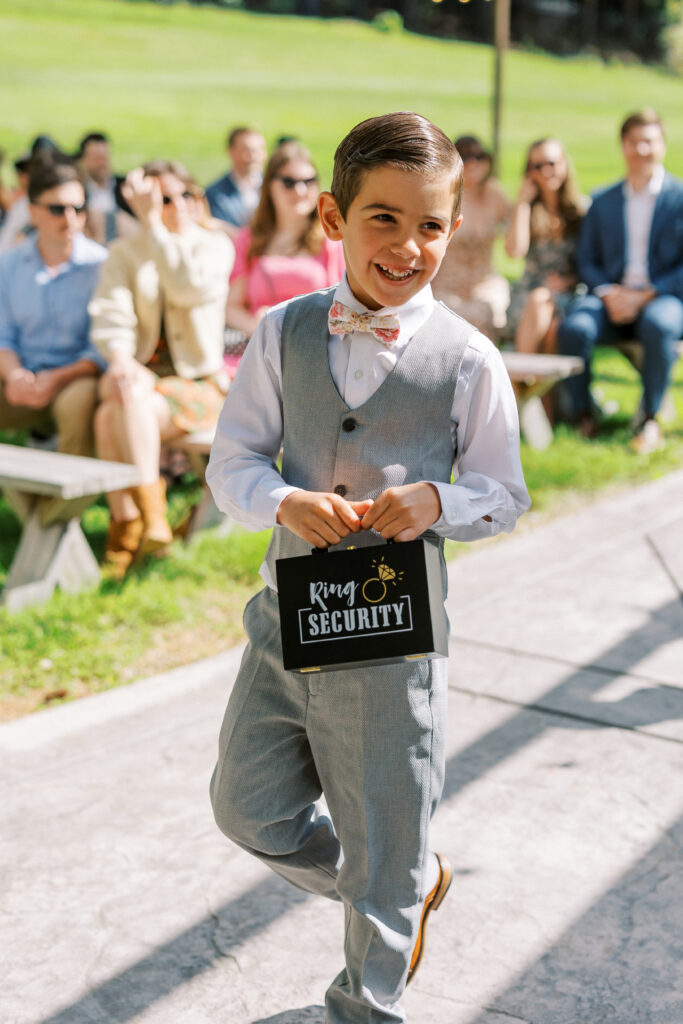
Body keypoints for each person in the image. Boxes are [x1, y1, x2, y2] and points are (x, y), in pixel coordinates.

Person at [206, 112, 530, 1024]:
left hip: (392, 648)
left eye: (430, 225)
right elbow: (230, 462)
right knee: (247, 809)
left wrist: (439, 501)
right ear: (332, 218)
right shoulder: (281, 333)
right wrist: (281, 503)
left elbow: (504, 493)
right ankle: (401, 881)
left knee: (381, 863)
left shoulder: (468, 359)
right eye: (383, 219)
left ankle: (373, 968)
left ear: (452, 229)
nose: (408, 245)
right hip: (283, 627)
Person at [89, 159, 234, 576]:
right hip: (137, 379)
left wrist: (152, 226)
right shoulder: (124, 253)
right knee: (125, 392)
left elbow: (186, 286)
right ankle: (148, 522)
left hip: (199, 382)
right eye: (160, 199)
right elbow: (110, 314)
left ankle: (129, 528)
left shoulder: (213, 245)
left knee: (107, 416)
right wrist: (119, 358)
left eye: (182, 195)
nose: (173, 206)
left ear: (197, 198)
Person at [558, 109, 683, 452]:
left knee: (660, 324)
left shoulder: (680, 198)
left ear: (663, 145)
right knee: (576, 326)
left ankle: (651, 419)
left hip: (662, 297)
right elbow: (587, 259)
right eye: (634, 142)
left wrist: (646, 295)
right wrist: (609, 292)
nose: (642, 149)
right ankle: (583, 413)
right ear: (623, 146)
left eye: (650, 141)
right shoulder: (603, 200)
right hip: (610, 297)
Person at [0, 158, 106, 455]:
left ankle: (67, 499)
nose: (70, 217)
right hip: (17, 378)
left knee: (80, 400)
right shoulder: (8, 265)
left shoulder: (102, 266)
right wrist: (15, 375)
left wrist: (56, 378)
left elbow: (100, 349)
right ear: (33, 212)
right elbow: (2, 335)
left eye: (78, 208)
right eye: (57, 208)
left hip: (74, 381)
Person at [225, 140, 345, 344]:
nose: (300, 190)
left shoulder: (333, 240)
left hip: (317, 346)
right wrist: (260, 326)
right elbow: (231, 308)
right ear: (270, 186)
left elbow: (344, 305)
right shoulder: (248, 241)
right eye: (289, 182)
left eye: (308, 181)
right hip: (261, 346)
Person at [505, 137, 585, 355]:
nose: (546, 171)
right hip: (530, 294)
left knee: (553, 326)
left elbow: (591, 260)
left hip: (570, 292)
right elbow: (514, 251)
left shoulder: (581, 212)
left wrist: (569, 281)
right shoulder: (527, 210)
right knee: (541, 302)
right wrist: (522, 202)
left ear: (564, 164)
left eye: (552, 163)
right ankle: (528, 380)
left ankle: (525, 383)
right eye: (538, 166)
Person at [432, 134, 511, 337]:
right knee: (452, 315)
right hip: (446, 283)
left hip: (484, 281)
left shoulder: (495, 194)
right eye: (465, 156)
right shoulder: (442, 194)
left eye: (480, 156)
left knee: (487, 309)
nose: (473, 163)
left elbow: (514, 247)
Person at [205, 126, 266, 239]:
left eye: (258, 150)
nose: (253, 157)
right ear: (231, 151)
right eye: (247, 150)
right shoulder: (215, 195)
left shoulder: (274, 187)